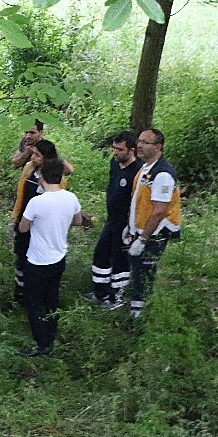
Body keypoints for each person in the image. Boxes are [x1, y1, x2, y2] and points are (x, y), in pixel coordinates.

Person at [17, 159, 88, 357]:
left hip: (37, 260)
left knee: (35, 302)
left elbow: (23, 227)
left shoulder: (37, 202)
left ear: (41, 176)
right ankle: (51, 334)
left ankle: (42, 343)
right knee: (52, 298)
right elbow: (78, 220)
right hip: (59, 257)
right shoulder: (71, 198)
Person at [124, 128, 182, 320]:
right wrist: (131, 226)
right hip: (141, 228)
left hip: (155, 233)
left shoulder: (162, 174)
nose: (139, 145)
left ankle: (140, 316)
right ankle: (136, 307)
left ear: (158, 147)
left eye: (145, 142)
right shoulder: (146, 167)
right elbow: (140, 201)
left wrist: (143, 238)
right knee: (138, 269)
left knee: (146, 272)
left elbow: (159, 210)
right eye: (139, 141)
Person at [83, 131, 144, 309]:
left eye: (120, 149)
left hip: (126, 223)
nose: (115, 153)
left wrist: (133, 227)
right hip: (111, 219)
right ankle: (100, 292)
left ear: (131, 150)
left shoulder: (138, 171)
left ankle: (116, 297)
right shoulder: (115, 164)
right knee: (101, 253)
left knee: (120, 259)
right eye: (114, 148)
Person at [10, 139, 68, 303]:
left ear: (47, 158)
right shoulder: (29, 169)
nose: (33, 158)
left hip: (43, 228)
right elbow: (20, 194)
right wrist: (15, 217)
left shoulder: (58, 179)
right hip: (24, 221)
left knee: (37, 262)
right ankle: (20, 293)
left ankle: (37, 295)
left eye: (37, 155)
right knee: (21, 256)